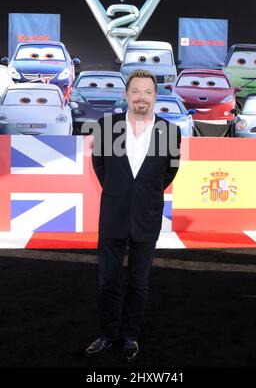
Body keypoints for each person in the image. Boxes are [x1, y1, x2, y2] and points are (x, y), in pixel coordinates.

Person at [85, 69, 181, 361]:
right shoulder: (105, 127)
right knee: (107, 281)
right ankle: (107, 334)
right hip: (113, 216)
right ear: (126, 95)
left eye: (148, 92)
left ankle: (130, 337)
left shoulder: (170, 132)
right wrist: (121, 192)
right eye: (136, 91)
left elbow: (169, 171)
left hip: (147, 217)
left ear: (155, 96)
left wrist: (143, 195)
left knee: (139, 284)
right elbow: (100, 167)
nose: (142, 97)